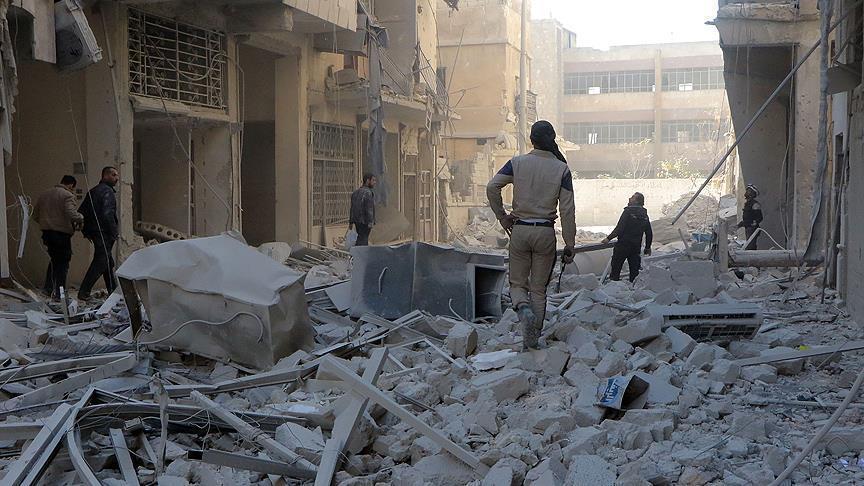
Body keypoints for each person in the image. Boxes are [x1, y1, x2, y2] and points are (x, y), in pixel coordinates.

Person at [487, 120, 576, 351]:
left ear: (531, 140)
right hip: (545, 232)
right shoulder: (562, 169)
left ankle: (523, 309)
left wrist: (502, 216)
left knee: (517, 283)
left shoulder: (517, 163)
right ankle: (533, 338)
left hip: (520, 230)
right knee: (538, 289)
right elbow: (567, 210)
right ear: (552, 139)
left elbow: (492, 187)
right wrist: (570, 243)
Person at [32, 175, 84, 299]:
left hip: (47, 233)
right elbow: (71, 213)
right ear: (71, 185)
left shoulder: (44, 194)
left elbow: (35, 215)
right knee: (63, 263)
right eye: (72, 188)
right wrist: (81, 217)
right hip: (61, 234)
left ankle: (48, 288)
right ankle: (60, 292)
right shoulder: (67, 195)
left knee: (54, 260)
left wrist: (46, 223)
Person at [77, 166, 120, 300]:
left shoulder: (93, 191)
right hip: (104, 232)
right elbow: (107, 214)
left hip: (95, 232)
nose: (117, 178)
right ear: (105, 176)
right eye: (113, 175)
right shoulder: (107, 192)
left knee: (107, 261)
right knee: (101, 261)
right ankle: (84, 292)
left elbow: (81, 212)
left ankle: (113, 293)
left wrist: (87, 231)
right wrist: (114, 232)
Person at [602, 192, 653, 283]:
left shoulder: (628, 212)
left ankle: (614, 286)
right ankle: (634, 287)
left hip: (623, 245)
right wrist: (647, 247)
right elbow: (649, 232)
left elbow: (620, 228)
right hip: (635, 247)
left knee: (616, 267)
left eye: (633, 197)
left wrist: (608, 238)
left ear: (637, 201)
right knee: (634, 270)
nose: (630, 198)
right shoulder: (644, 215)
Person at [349, 173, 377, 246]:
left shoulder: (355, 193)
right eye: (373, 180)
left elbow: (352, 208)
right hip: (365, 221)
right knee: (363, 239)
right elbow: (369, 208)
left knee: (360, 237)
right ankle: (360, 252)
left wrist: (351, 221)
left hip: (357, 221)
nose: (375, 182)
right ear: (368, 181)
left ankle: (358, 251)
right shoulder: (368, 193)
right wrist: (370, 222)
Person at [739, 184, 763, 250]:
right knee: (749, 246)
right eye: (747, 190)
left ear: (752, 194)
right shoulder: (747, 204)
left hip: (752, 229)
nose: (746, 192)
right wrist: (740, 224)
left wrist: (753, 223)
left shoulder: (755, 204)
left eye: (749, 191)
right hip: (748, 228)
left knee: (750, 247)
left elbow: (760, 217)